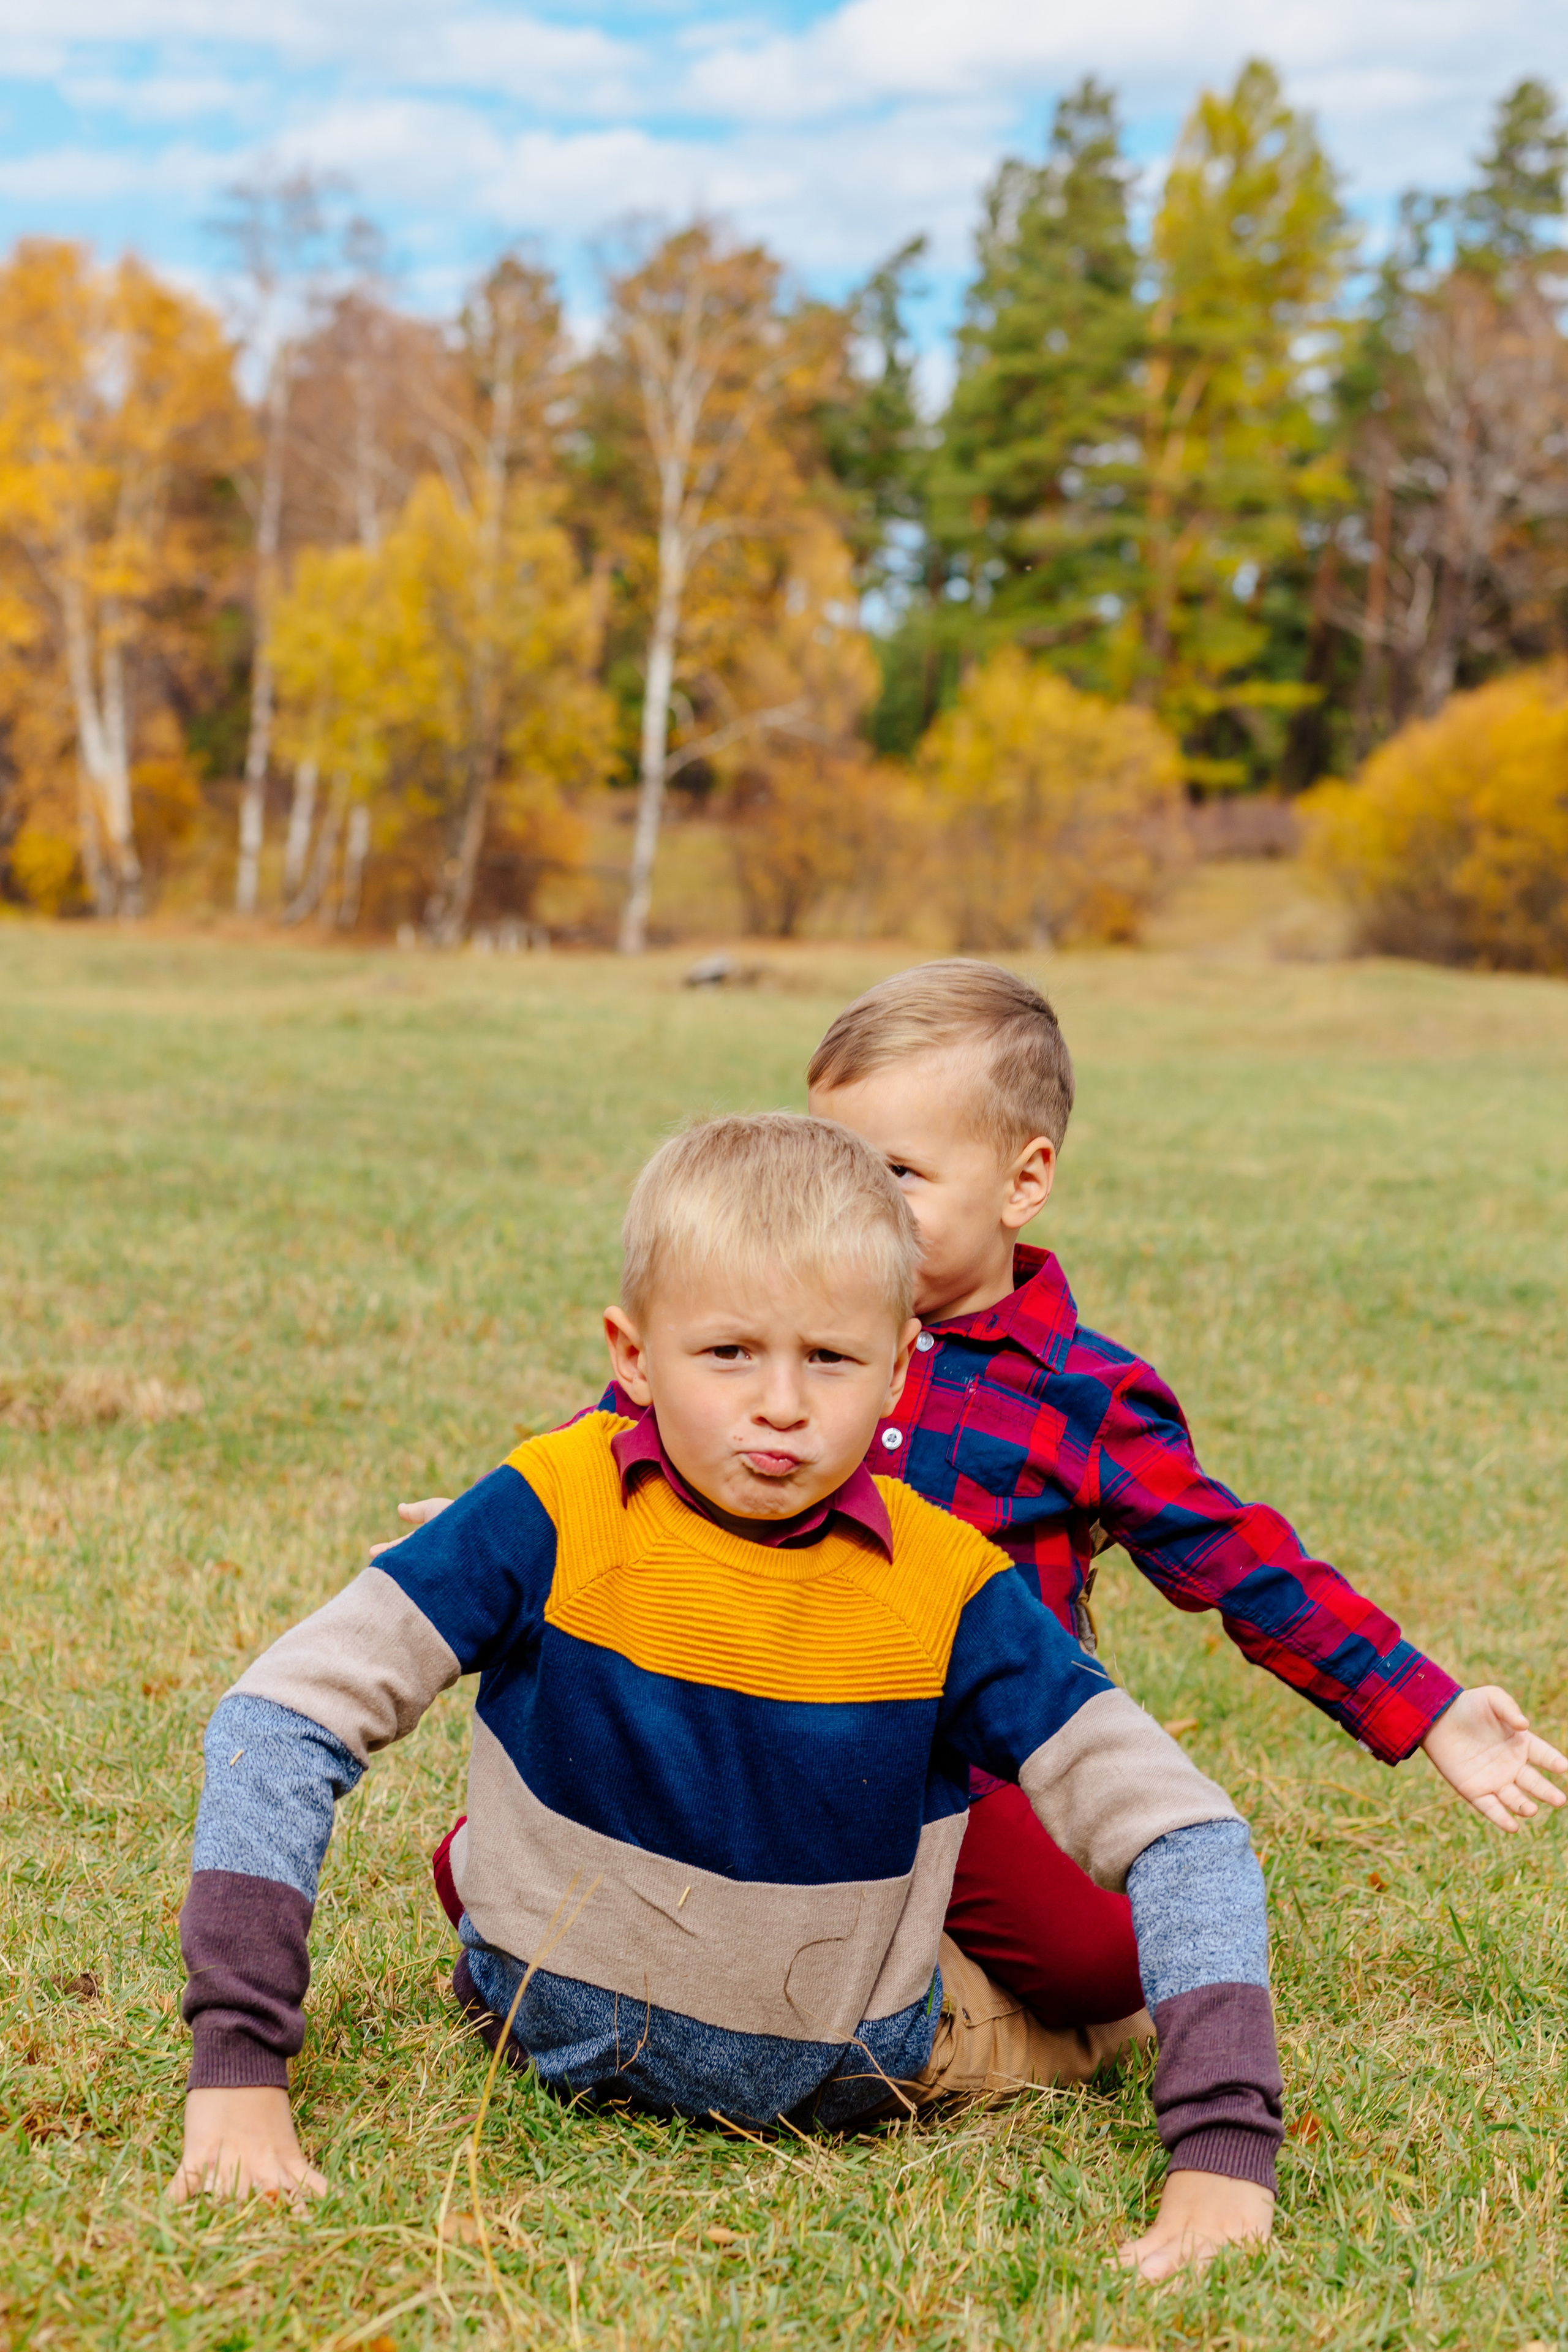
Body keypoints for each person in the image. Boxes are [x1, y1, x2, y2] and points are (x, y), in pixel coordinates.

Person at [172, 1114, 1282, 2281]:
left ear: (902, 1367)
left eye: (833, 1360)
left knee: (1097, 2007)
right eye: (729, 1354)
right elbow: (279, 1718)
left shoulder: (952, 1583)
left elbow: (1187, 1830)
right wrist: (240, 2075)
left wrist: (1219, 2156)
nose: (783, 1406)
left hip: (858, 2061)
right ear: (632, 1354)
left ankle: (1138, 2019)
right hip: (541, 2014)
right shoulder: (549, 1502)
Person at [396, 962, 1566, 2032]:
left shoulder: (1082, 1395)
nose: (849, 1198)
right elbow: (631, 1430)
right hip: (772, 1703)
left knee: (1103, 1965)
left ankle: (927, 2005)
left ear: (1025, 1178)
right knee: (487, 1867)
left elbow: (1240, 1563)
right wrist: (486, 1520)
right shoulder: (786, 1335)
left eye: (895, 1174)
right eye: (835, 1159)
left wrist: (1424, 1705)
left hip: (978, 1755)